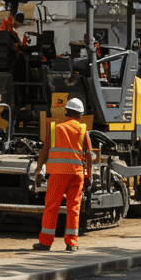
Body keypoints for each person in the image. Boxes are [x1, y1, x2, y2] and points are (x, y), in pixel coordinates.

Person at [32, 98, 93, 252]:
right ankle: (72, 244)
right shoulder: (82, 129)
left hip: (58, 173)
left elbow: (44, 150)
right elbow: (89, 154)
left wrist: (39, 169)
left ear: (66, 112)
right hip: (76, 173)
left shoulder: (55, 128)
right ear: (80, 114)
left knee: (52, 207)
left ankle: (45, 243)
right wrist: (88, 175)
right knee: (74, 208)